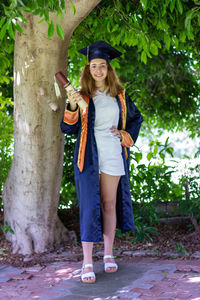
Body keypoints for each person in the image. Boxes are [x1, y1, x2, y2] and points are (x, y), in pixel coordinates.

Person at [60, 41, 143, 283]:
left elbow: (136, 120)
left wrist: (124, 134)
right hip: (88, 154)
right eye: (93, 65)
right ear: (88, 69)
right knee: (89, 205)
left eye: (102, 66)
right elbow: (68, 128)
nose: (98, 70)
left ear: (108, 69)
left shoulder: (121, 97)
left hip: (112, 154)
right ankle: (87, 261)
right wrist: (73, 104)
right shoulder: (82, 96)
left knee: (108, 204)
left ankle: (108, 254)